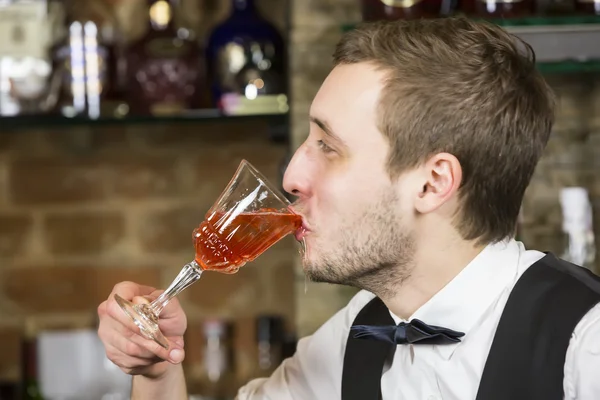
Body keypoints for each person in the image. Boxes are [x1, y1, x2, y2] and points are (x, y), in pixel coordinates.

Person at [97, 17, 600, 400]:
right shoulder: (359, 332)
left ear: (432, 183)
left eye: (328, 146)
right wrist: (159, 371)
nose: (292, 176)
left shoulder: (585, 344)